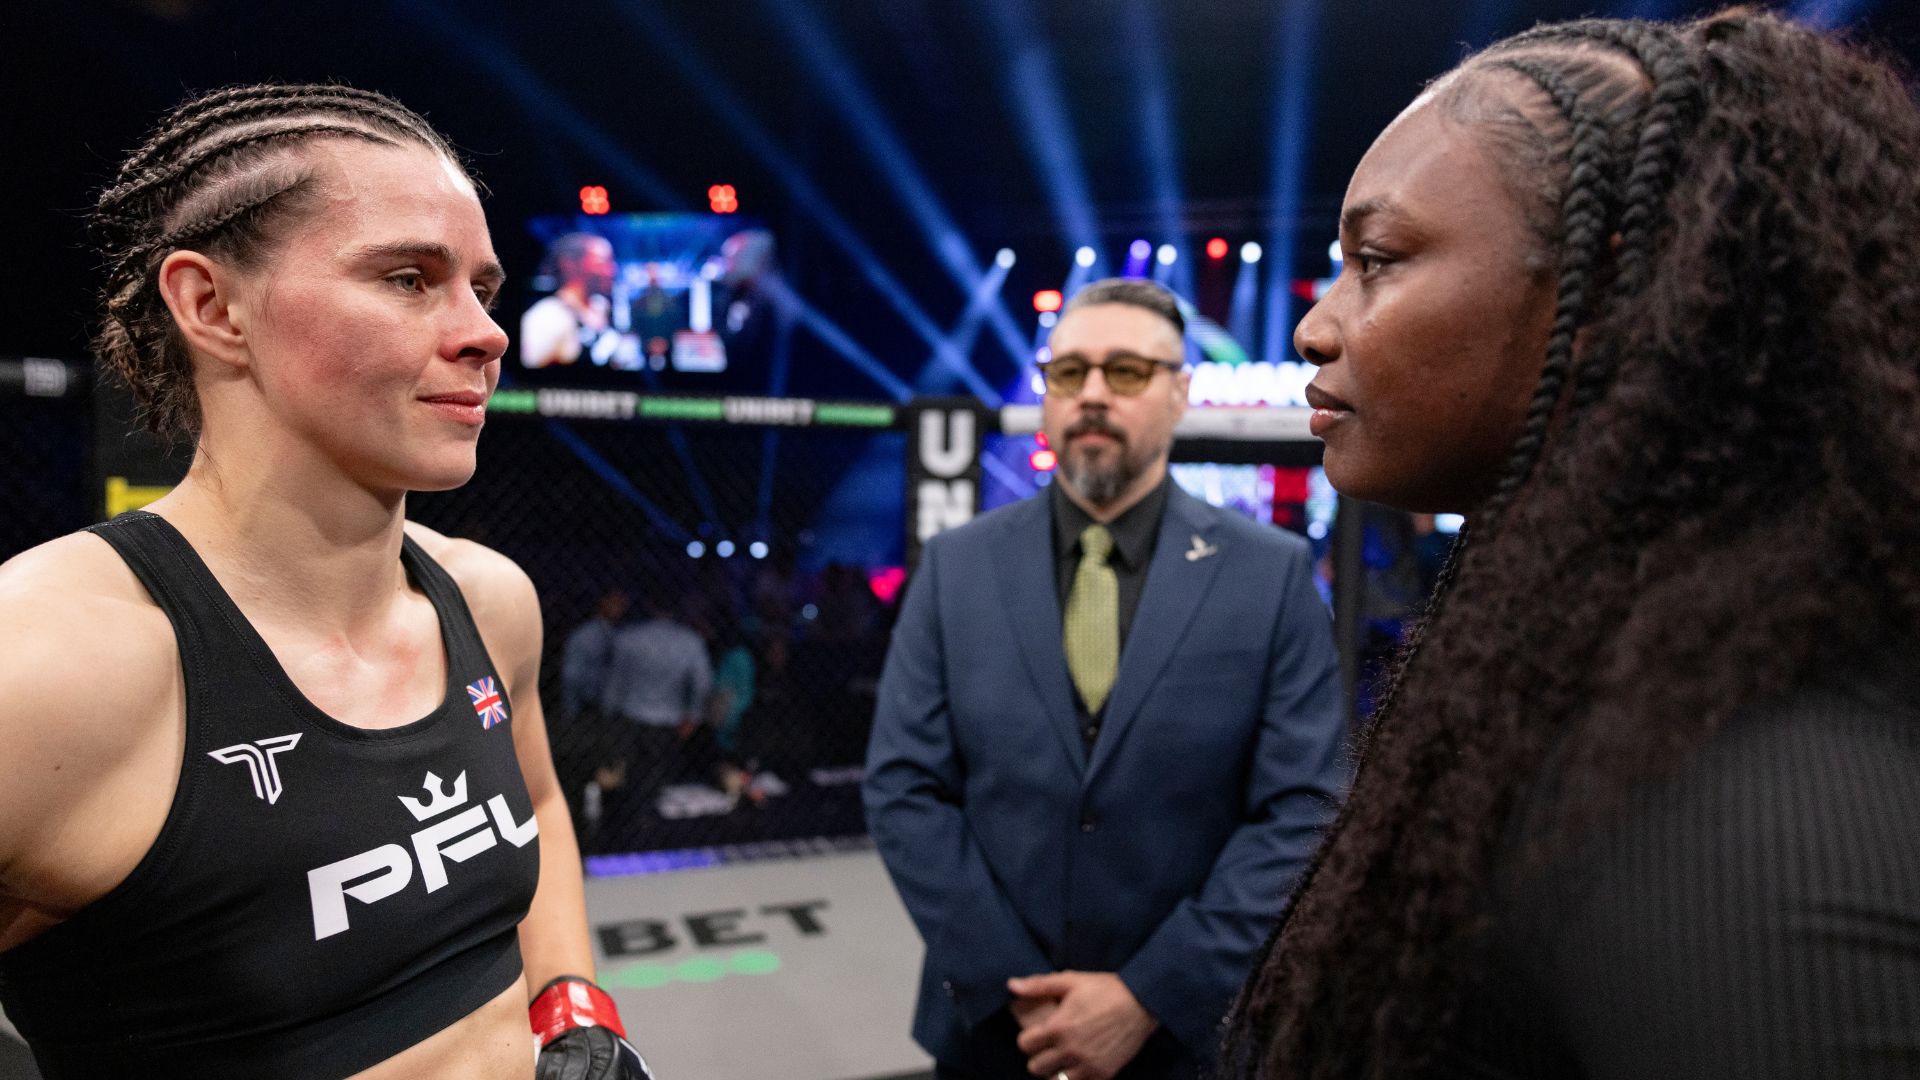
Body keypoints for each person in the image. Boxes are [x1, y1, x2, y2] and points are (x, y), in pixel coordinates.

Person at [1221, 11, 1920, 1078]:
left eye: (1377, 259)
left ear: (1601, 290)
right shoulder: (1612, 671)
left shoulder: (1730, 798)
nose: (1317, 325)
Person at [0, 84, 649, 1078]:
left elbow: (542, 804)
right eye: (407, 278)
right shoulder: (49, 661)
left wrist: (573, 1008)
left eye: (484, 287)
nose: (485, 333)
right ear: (213, 306)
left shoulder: (486, 600)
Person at [866, 278, 1348, 1080]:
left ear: (1179, 392)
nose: (1091, 394)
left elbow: (1303, 806)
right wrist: (1019, 991)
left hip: (1189, 1039)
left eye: (1125, 372)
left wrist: (1150, 995)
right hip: (994, 1032)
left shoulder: (1270, 574)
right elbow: (903, 787)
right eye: (1069, 372)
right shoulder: (958, 567)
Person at [599, 585, 712, 826]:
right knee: (659, 783)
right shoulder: (690, 641)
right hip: (668, 723)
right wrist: (693, 718)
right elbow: (703, 685)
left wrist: (608, 718)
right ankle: (653, 829)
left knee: (629, 782)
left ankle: (628, 828)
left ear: (648, 606)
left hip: (631, 720)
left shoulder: (627, 638)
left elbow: (613, 686)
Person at [521, 232, 618, 368]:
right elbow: (528, 376)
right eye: (603, 262)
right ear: (569, 264)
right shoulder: (546, 316)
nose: (612, 270)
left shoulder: (600, 305)